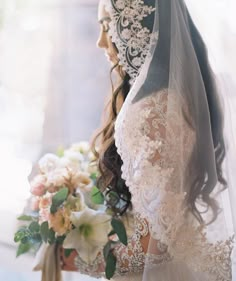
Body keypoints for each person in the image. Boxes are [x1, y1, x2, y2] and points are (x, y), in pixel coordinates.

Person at [61, 0, 235, 280]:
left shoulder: (149, 111)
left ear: (135, 29)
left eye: (108, 25)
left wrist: (81, 262)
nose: (100, 41)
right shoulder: (183, 97)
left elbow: (151, 250)